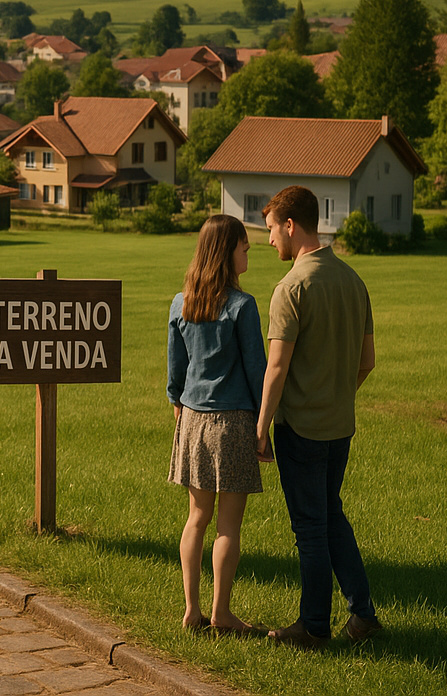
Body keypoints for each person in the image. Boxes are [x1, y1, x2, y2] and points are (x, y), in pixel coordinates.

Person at [255, 185, 383, 650]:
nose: (268, 239)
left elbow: (276, 366)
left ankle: (313, 626)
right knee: (331, 518)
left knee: (310, 529)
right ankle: (363, 615)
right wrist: (336, 394)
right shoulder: (353, 280)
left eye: (271, 229)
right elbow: (367, 361)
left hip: (301, 429)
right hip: (340, 426)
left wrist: (262, 425)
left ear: (291, 226)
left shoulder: (291, 287)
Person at [166, 214, 266, 636]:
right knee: (228, 525)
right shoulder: (242, 306)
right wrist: (265, 427)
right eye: (244, 246)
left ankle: (191, 609)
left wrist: (180, 407)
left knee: (196, 517)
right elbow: (258, 371)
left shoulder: (180, 302)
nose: (248, 252)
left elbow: (175, 371)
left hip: (191, 420)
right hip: (233, 424)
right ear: (227, 252)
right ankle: (221, 614)